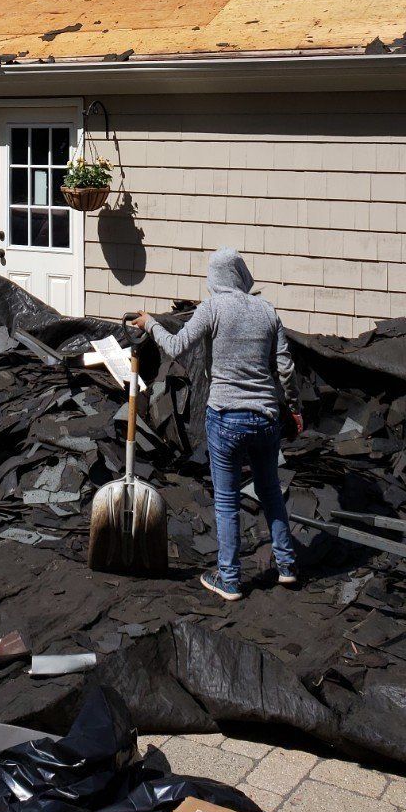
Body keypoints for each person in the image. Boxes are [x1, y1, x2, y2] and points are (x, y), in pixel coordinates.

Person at [130, 247, 302, 602]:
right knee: (270, 491)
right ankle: (286, 566)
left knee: (226, 500)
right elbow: (285, 367)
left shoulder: (212, 308)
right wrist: (294, 409)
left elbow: (177, 346)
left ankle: (230, 579)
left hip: (226, 417)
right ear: (242, 275)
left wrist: (150, 324)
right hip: (266, 417)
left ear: (214, 279)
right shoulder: (267, 310)